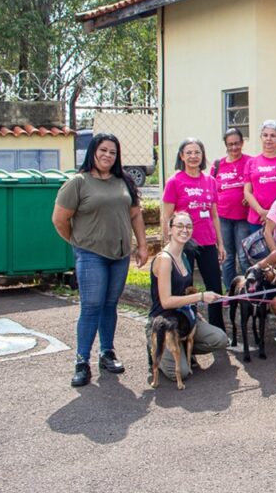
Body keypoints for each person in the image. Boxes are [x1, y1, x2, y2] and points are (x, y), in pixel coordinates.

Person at [53, 133, 148, 387]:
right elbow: (60, 220)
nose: (107, 155)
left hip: (119, 255)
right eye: (103, 150)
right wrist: (78, 241)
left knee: (110, 304)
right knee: (91, 306)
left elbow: (136, 215)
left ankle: (107, 352)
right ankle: (81, 361)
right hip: (91, 255)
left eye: (113, 152)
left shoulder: (123, 181)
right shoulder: (78, 183)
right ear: (93, 152)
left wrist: (142, 245)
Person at [147, 211, 228, 381]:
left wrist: (195, 312)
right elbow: (167, 301)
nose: (185, 230)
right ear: (169, 230)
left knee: (220, 339)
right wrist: (200, 296)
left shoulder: (184, 255)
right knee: (181, 373)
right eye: (180, 226)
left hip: (183, 318)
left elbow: (185, 291)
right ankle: (155, 346)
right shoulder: (164, 259)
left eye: (189, 226)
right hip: (164, 321)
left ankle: (181, 348)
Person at [162, 137, 226, 330]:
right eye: (188, 152)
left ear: (202, 156)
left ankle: (218, 331)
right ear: (181, 156)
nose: (193, 156)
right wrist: (169, 246)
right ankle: (185, 328)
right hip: (184, 244)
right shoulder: (174, 181)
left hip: (207, 243)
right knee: (185, 288)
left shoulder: (210, 181)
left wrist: (220, 244)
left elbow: (215, 216)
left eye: (197, 152)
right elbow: (166, 217)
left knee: (214, 286)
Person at [212, 128, 254, 292]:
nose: (234, 147)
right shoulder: (217, 165)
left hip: (243, 217)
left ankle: (247, 291)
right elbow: (212, 190)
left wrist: (251, 195)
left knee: (244, 257)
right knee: (227, 257)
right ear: (226, 146)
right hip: (223, 217)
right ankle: (230, 293)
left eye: (237, 143)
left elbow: (256, 183)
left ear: (242, 143)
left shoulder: (250, 162)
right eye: (230, 144)